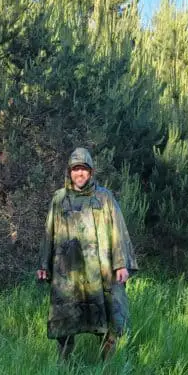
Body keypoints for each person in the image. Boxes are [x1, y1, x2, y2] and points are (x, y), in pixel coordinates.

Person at [36, 147, 138, 361]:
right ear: (69, 172)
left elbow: (118, 231)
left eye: (83, 169)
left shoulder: (104, 197)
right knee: (65, 319)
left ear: (91, 171)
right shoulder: (59, 199)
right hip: (68, 271)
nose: (79, 174)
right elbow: (49, 233)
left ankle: (107, 366)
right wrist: (44, 265)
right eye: (75, 169)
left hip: (100, 270)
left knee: (107, 317)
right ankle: (63, 365)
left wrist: (121, 264)